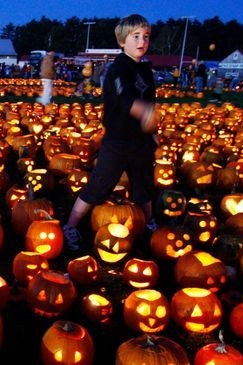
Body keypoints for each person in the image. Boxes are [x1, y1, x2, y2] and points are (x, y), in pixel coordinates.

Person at [62, 14, 158, 251]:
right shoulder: (118, 70)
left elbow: (150, 99)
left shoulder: (145, 70)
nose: (141, 41)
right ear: (122, 42)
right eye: (135, 36)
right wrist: (144, 112)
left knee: (144, 185)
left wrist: (153, 130)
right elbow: (125, 99)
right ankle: (71, 225)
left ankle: (148, 222)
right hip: (118, 140)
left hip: (141, 141)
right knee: (100, 184)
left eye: (145, 37)